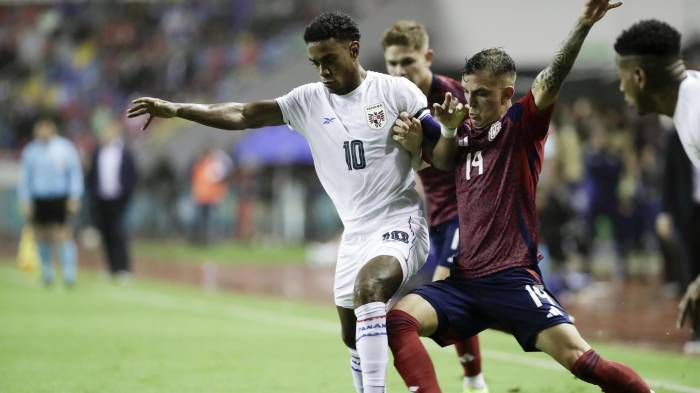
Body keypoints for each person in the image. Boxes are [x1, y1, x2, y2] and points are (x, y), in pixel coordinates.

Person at [127, 11, 436, 393]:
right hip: (355, 232)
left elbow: (441, 151)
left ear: (353, 50)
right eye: (315, 63)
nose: (322, 70)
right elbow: (243, 113)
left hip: (400, 218)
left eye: (329, 59)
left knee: (370, 290)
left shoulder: (395, 92)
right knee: (352, 334)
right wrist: (178, 110)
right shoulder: (307, 101)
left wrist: (428, 139)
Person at [387, 1, 653, 392]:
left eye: (480, 95)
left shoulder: (523, 124)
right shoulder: (463, 131)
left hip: (512, 279)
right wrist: (445, 131)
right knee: (399, 320)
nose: (470, 103)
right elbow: (442, 164)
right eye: (467, 92)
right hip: (464, 282)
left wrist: (583, 23)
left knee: (583, 361)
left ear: (507, 93)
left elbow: (552, 77)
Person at [381, 20, 487, 393]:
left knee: (442, 292)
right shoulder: (392, 101)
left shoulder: (454, 97)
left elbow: (472, 155)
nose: (398, 71)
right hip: (437, 216)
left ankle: (474, 381)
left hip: (467, 210)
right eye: (391, 63)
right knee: (455, 297)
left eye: (406, 61)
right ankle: (475, 378)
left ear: (427, 57)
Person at [613, 19, 700, 355]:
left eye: (621, 78)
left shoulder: (695, 114)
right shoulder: (686, 104)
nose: (621, 89)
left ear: (639, 77)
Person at [18, 117, 84, 287]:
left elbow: (75, 173)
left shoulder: (64, 148)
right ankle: (47, 272)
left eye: (45, 127)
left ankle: (69, 272)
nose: (42, 131)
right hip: (39, 197)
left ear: (51, 127)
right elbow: (25, 178)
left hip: (60, 197)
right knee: (41, 235)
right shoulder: (30, 151)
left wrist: (75, 196)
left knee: (64, 234)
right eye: (39, 128)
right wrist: (25, 199)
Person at [86, 120, 138, 281]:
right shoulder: (98, 152)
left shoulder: (124, 152)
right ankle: (111, 268)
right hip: (102, 199)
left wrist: (126, 196)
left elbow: (132, 176)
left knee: (118, 233)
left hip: (119, 200)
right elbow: (91, 174)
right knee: (105, 234)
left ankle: (124, 268)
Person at [190, 146, 232, 245]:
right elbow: (197, 181)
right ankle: (200, 240)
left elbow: (220, 177)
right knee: (201, 220)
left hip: (211, 198)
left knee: (211, 221)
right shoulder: (201, 165)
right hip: (201, 197)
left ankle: (210, 240)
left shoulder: (213, 165)